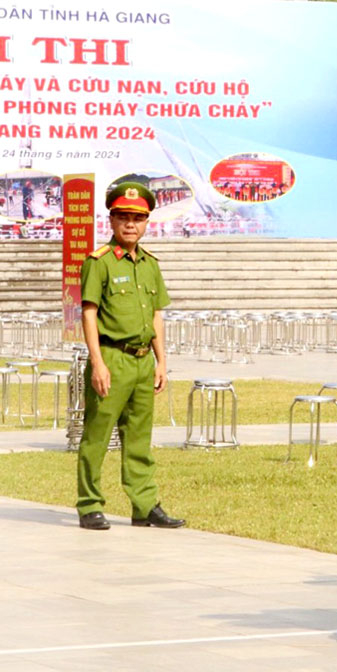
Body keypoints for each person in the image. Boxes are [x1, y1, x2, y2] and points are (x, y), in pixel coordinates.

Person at [77, 182, 183, 531]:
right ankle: (90, 504)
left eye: (137, 218)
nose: (130, 225)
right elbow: (89, 312)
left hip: (142, 362)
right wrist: (97, 363)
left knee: (139, 436)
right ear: (111, 220)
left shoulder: (149, 263)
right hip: (112, 357)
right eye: (123, 217)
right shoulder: (100, 262)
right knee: (97, 435)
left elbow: (156, 314)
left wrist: (162, 361)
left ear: (147, 222)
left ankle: (144, 504)